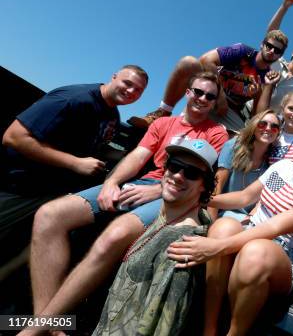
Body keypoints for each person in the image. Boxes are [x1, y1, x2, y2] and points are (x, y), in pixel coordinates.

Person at [28, 72, 228, 318]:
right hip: (143, 183)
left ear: (214, 102)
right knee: (50, 215)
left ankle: (38, 327)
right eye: (198, 92)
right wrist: (112, 181)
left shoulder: (216, 132)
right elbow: (138, 156)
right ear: (188, 92)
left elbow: (201, 177)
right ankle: (46, 321)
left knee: (115, 235)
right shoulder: (162, 124)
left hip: (175, 193)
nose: (202, 98)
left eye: (210, 96)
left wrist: (156, 190)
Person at [18, 138, 218, 336]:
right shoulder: (164, 220)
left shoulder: (180, 247)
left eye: (191, 173)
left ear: (204, 185)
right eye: (174, 166)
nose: (178, 176)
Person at [166, 123, 293, 335]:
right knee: (223, 226)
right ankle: (210, 328)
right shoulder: (283, 168)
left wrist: (216, 247)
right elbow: (246, 197)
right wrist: (201, 199)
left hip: (281, 256)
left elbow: (274, 227)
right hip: (252, 234)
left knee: (254, 251)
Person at [0, 65, 148, 266]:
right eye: (127, 83)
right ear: (113, 77)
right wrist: (75, 163)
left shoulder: (113, 116)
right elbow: (14, 137)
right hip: (17, 187)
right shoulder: (73, 98)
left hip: (48, 192)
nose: (131, 91)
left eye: (138, 90)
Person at [128, 31, 288, 132]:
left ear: (280, 55)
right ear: (262, 44)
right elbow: (206, 60)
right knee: (188, 63)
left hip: (230, 112)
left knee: (240, 143)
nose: (272, 51)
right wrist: (220, 97)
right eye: (269, 46)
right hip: (211, 94)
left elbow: (256, 116)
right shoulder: (242, 52)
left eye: (277, 50)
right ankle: (163, 112)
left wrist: (268, 86)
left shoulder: (266, 76)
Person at [211, 110, 281, 221]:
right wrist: (211, 222)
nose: (268, 128)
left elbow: (267, 198)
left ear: (278, 133)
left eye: (274, 127)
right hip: (222, 212)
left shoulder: (276, 162)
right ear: (254, 126)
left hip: (251, 218)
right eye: (262, 124)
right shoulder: (234, 146)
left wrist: (249, 219)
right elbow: (217, 185)